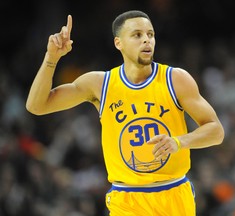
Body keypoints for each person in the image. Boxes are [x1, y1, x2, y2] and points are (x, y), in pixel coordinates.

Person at [26, 10, 224, 216]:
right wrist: (51, 58)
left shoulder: (175, 79)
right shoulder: (99, 84)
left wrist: (179, 142)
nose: (147, 40)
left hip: (173, 193)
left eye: (150, 34)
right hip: (126, 198)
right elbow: (37, 106)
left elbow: (216, 131)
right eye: (137, 35)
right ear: (118, 43)